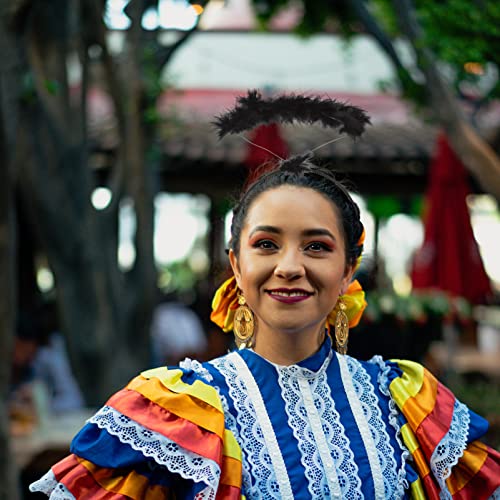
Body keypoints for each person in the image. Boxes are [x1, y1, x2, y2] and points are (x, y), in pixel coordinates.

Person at [30, 91, 499, 499]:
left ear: (346, 270)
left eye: (316, 246)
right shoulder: (171, 412)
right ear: (236, 265)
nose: (290, 266)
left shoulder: (408, 402)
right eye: (266, 244)